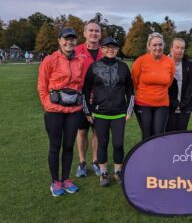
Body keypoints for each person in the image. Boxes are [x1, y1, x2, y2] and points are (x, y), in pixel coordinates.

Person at [37, 28, 84, 197]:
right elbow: (42, 85)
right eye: (66, 39)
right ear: (59, 40)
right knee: (55, 146)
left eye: (72, 39)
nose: (69, 42)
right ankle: (55, 182)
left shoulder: (80, 60)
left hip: (74, 110)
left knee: (69, 146)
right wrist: (47, 104)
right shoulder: (50, 60)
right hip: (54, 110)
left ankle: (66, 179)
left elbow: (81, 84)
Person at [82, 37, 134, 186]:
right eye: (107, 47)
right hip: (100, 113)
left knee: (118, 144)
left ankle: (118, 171)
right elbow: (85, 91)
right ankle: (104, 172)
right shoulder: (94, 67)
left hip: (119, 113)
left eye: (114, 47)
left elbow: (130, 91)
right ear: (102, 49)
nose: (110, 50)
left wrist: (129, 110)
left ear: (117, 50)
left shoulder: (123, 67)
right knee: (102, 143)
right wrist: (87, 112)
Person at [132, 32, 175, 140]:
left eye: (160, 45)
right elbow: (135, 82)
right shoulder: (140, 61)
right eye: (154, 45)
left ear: (163, 45)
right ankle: (145, 156)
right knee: (147, 135)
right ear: (149, 46)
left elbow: (169, 82)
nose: (158, 47)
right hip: (143, 103)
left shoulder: (169, 62)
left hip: (162, 104)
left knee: (159, 135)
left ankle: (157, 157)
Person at [75, 21, 103, 177]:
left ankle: (96, 161)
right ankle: (82, 163)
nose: (94, 33)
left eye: (97, 31)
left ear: (100, 34)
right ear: (85, 33)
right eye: (91, 30)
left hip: (100, 99)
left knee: (98, 132)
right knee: (82, 132)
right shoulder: (76, 50)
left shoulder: (105, 51)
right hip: (82, 99)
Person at [166, 38, 192, 131]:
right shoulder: (164, 63)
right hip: (168, 105)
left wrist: (183, 103)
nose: (180, 50)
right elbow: (164, 87)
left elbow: (190, 85)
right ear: (171, 48)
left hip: (185, 106)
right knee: (169, 135)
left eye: (182, 48)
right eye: (177, 47)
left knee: (181, 134)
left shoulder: (189, 65)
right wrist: (174, 103)